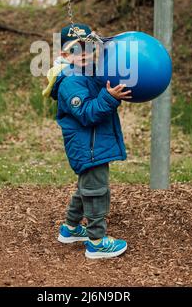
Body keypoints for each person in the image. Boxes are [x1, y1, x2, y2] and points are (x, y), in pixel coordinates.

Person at [42, 23, 131, 259]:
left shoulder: (88, 74)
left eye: (88, 48)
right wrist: (109, 98)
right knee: (96, 190)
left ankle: (70, 229)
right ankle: (97, 242)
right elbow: (88, 113)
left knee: (86, 188)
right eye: (75, 49)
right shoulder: (70, 82)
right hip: (88, 146)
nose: (83, 53)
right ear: (63, 54)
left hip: (93, 143)